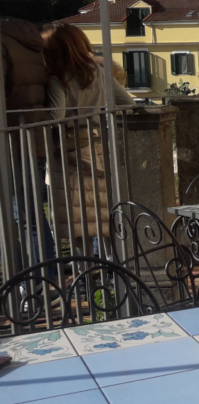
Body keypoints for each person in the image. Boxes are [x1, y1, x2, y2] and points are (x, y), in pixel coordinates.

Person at [43, 23, 133, 253]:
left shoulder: (59, 79)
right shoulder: (100, 73)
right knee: (102, 215)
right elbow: (127, 103)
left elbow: (55, 116)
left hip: (69, 154)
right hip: (99, 147)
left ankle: (83, 274)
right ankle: (113, 273)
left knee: (73, 221)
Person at [1, 17, 56, 267]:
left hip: (12, 140)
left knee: (23, 215)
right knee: (30, 214)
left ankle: (37, 282)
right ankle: (43, 279)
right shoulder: (26, 41)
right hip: (31, 136)